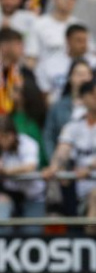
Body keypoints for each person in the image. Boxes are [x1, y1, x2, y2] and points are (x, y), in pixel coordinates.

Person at [43, 79, 96, 235]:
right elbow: (62, 151)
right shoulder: (73, 126)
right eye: (93, 94)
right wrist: (54, 167)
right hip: (79, 187)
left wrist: (90, 168)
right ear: (84, 98)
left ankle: (89, 239)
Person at [44, 58, 93, 158]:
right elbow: (48, 136)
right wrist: (53, 160)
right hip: (62, 160)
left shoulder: (93, 107)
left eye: (87, 74)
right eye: (79, 74)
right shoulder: (58, 107)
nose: (83, 79)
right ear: (70, 77)